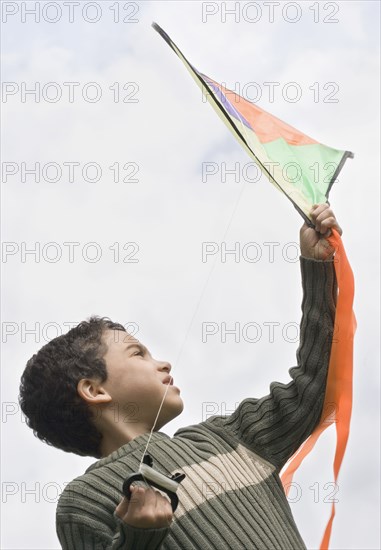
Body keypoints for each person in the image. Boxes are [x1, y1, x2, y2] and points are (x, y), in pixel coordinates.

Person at [19, 203, 341, 549]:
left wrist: (318, 266)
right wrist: (138, 536)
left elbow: (315, 385)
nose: (163, 364)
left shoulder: (229, 437)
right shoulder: (83, 503)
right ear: (94, 390)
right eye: (138, 353)